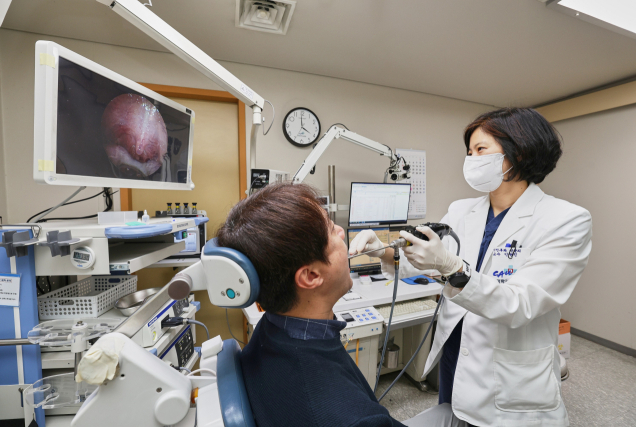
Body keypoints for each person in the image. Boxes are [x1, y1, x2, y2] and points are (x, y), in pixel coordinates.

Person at [349, 108, 592, 427]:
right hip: (456, 352)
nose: (471, 159)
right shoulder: (462, 211)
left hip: (509, 373)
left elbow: (520, 304)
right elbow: (427, 263)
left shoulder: (565, 220)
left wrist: (452, 268)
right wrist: (381, 250)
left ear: (518, 152)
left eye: (481, 150)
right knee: (454, 411)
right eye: (469, 152)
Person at [216, 183, 467, 427]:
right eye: (330, 228)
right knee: (454, 415)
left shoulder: (270, 326)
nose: (340, 230)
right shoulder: (354, 418)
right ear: (311, 276)